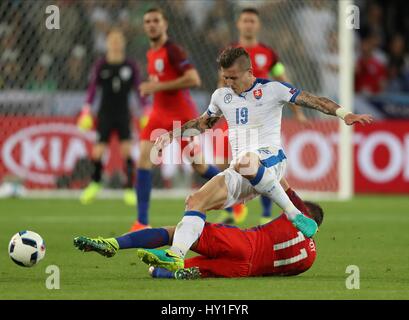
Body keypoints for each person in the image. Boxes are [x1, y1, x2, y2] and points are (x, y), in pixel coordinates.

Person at [136, 47, 373, 271]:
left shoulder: (273, 90)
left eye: (233, 78)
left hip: (272, 162)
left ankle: (294, 214)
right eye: (225, 78)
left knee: (245, 161)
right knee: (195, 201)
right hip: (241, 172)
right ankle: (176, 254)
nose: (229, 83)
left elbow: (316, 101)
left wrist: (345, 114)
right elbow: (202, 124)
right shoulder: (221, 96)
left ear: (250, 72)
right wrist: (171, 135)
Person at [191, 7, 309, 226]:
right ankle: (234, 207)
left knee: (260, 162)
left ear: (258, 25)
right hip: (237, 116)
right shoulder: (230, 52)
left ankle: (265, 214)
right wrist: (220, 108)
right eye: (244, 20)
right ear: (239, 24)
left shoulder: (269, 53)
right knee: (227, 162)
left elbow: (282, 78)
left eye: (252, 21)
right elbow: (222, 82)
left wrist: (298, 112)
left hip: (263, 117)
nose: (248, 24)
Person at [73, 180, 323, 279]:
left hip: (243, 242)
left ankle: (114, 243)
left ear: (307, 216)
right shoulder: (310, 259)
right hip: (244, 270)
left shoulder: (298, 214)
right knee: (186, 270)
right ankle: (157, 272)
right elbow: (281, 274)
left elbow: (278, 181)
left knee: (178, 233)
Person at [130, 7, 201, 231]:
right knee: (143, 161)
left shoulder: (173, 51)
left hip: (181, 115)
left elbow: (193, 79)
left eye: (156, 21)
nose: (152, 24)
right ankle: (141, 222)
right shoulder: (151, 53)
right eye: (148, 21)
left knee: (199, 166)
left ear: (165, 24)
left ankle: (234, 200)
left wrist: (157, 86)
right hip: (158, 115)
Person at [78, 28, 145, 206]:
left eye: (118, 39)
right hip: (105, 114)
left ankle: (129, 188)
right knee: (98, 151)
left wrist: (145, 109)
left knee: (126, 150)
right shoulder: (101, 65)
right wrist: (86, 110)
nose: (115, 43)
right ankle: (95, 183)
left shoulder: (131, 66)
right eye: (112, 40)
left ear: (123, 43)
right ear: (107, 43)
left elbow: (139, 90)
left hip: (123, 113)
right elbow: (93, 90)